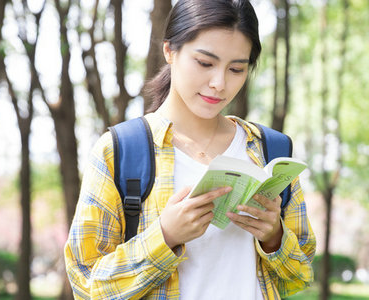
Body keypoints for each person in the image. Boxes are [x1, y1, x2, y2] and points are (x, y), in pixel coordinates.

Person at [64, 0, 316, 299]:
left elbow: (299, 277)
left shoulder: (269, 149)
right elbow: (86, 285)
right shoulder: (121, 150)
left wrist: (274, 238)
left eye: (236, 69)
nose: (219, 83)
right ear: (169, 50)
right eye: (205, 63)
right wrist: (166, 236)